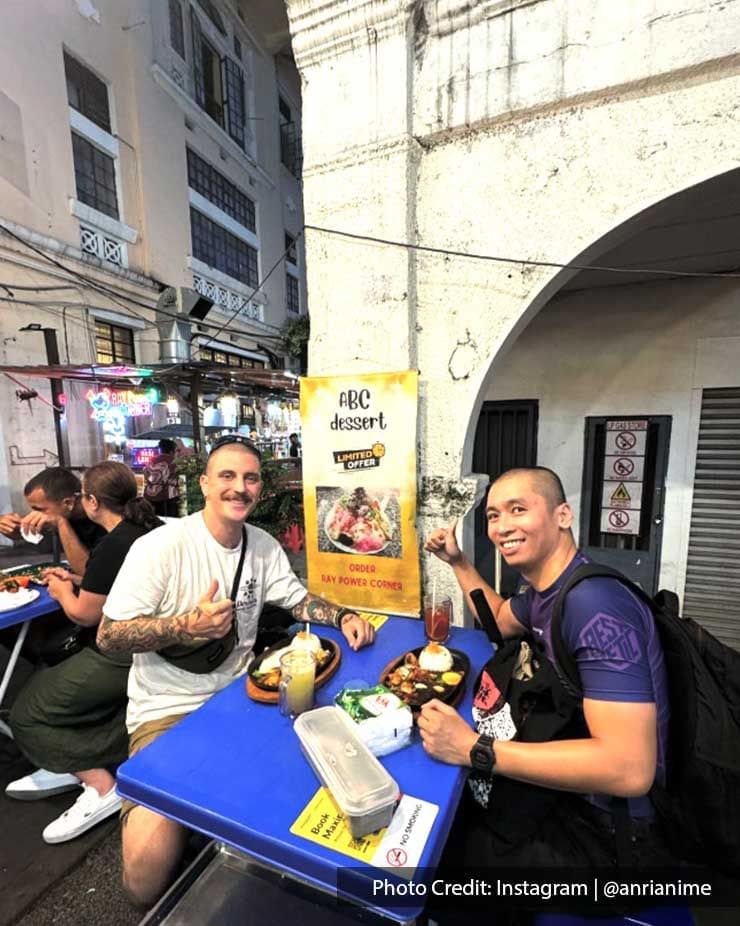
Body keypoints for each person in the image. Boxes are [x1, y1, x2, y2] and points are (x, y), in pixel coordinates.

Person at [96, 434, 375, 908]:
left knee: (310, 793)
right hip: (168, 711)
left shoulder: (262, 546)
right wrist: (186, 625)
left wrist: (344, 615)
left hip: (244, 696)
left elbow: (297, 599)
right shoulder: (161, 547)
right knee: (144, 882)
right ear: (204, 483)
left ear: (259, 488)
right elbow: (108, 635)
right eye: (226, 476)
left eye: (249, 478)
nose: (238, 487)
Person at [421, 466, 672, 872]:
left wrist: (473, 749)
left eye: (518, 509)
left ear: (563, 516)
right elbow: (500, 618)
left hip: (614, 833)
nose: (502, 527)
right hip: (575, 790)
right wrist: (457, 561)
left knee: (438, 859)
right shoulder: (548, 590)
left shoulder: (595, 607)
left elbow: (629, 769)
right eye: (493, 515)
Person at [6, 462, 162, 843]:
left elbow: (84, 614)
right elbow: (114, 581)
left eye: (41, 510)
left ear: (87, 501)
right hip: (154, 648)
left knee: (26, 714)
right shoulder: (147, 529)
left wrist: (63, 591)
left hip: (124, 652)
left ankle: (100, 783)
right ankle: (65, 760)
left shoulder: (114, 542)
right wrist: (77, 580)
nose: (34, 517)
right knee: (49, 670)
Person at [0, 467, 106, 575]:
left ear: (68, 503)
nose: (34, 514)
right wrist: (9, 526)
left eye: (39, 509)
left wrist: (61, 523)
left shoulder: (101, 520)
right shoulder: (63, 512)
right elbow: (24, 535)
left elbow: (89, 574)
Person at [142, 439, 180, 517]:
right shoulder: (174, 462)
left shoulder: (151, 461)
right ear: (172, 451)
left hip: (150, 497)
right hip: (168, 498)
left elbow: (146, 475)